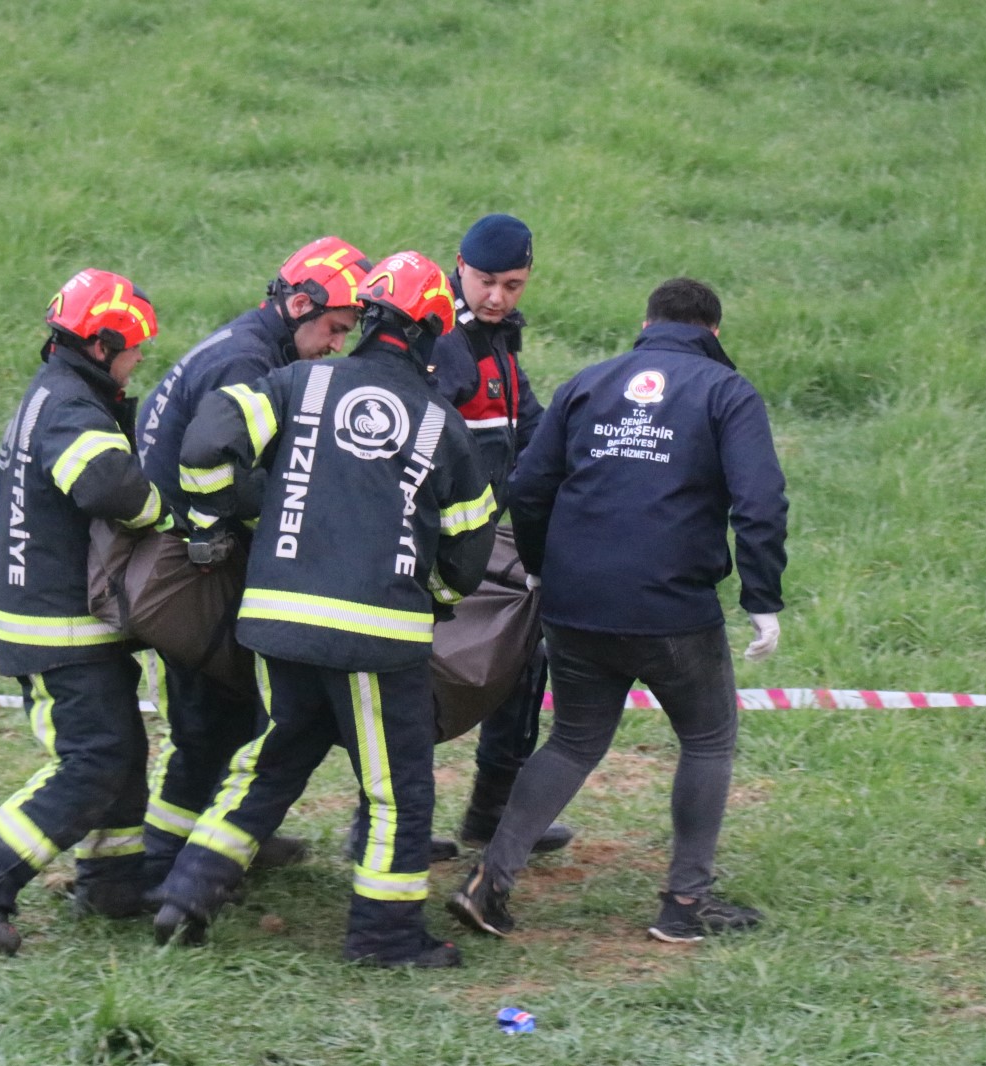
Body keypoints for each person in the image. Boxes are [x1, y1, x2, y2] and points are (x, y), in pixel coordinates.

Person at [152, 251, 498, 968]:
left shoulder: (296, 382)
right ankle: (385, 938)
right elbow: (467, 557)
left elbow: (208, 439)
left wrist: (215, 518)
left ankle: (185, 894)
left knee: (270, 760)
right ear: (433, 333)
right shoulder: (442, 425)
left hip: (277, 623)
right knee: (396, 789)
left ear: (367, 319)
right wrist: (429, 597)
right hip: (376, 638)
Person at [448, 277, 787, 945]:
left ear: (646, 321)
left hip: (574, 605)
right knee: (708, 738)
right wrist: (762, 597)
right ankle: (685, 902)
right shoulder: (727, 392)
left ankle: (490, 880)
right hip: (672, 609)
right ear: (713, 332)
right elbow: (760, 503)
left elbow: (529, 485)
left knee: (574, 739)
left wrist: (541, 566)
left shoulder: (588, 383)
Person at [0, 269, 173, 954]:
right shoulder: (70, 405)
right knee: (95, 757)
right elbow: (107, 485)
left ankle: (113, 881)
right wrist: (165, 512)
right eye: (132, 348)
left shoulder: (56, 392)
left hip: (56, 616)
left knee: (122, 751)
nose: (138, 360)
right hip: (59, 624)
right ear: (100, 345)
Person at [134, 237, 371, 890]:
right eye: (332, 329)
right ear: (299, 304)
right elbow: (216, 465)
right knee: (205, 723)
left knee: (228, 717)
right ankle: (159, 867)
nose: (334, 346)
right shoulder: (246, 364)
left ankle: (220, 839)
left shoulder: (248, 344)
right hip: (187, 566)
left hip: (177, 555)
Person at [428, 213, 570, 857]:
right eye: (486, 281)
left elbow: (530, 426)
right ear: (459, 264)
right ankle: (375, 825)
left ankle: (492, 812)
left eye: (513, 285)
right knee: (407, 682)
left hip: (483, 536)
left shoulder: (500, 340)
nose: (497, 297)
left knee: (525, 655)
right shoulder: (441, 341)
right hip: (431, 540)